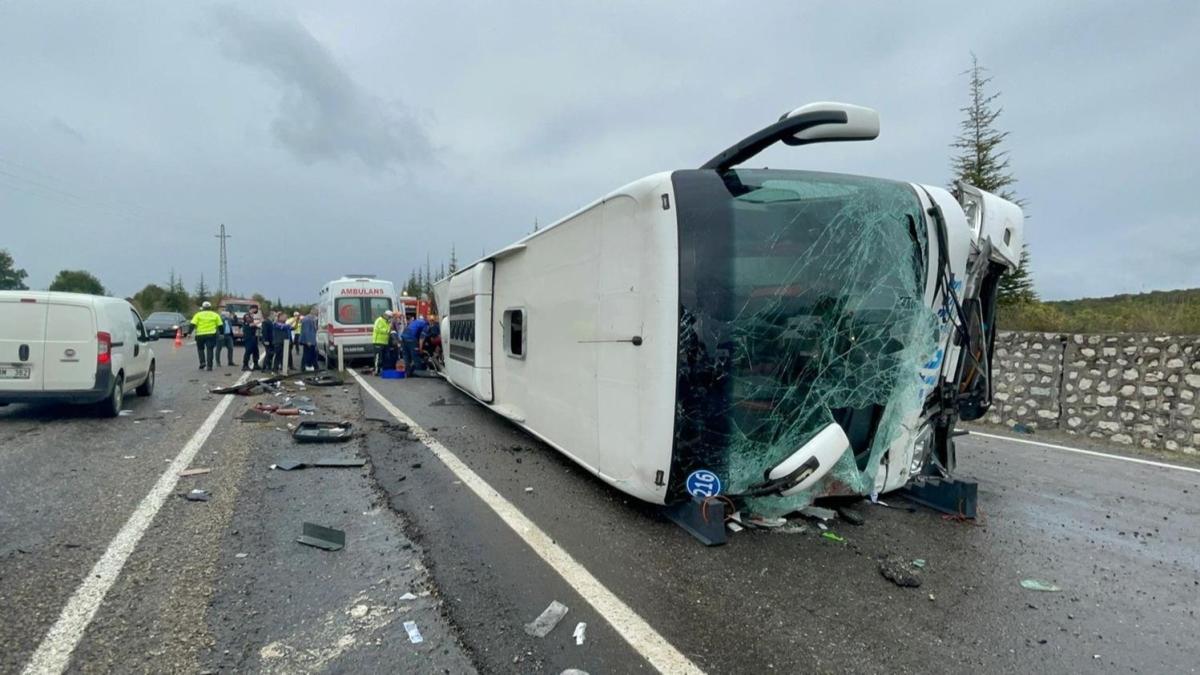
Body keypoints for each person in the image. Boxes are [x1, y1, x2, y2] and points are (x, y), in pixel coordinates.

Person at [189, 301, 222, 371]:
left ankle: (202, 362)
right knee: (210, 350)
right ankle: (209, 366)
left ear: (203, 307)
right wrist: (221, 333)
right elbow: (220, 325)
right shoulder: (215, 315)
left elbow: (192, 324)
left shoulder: (198, 315)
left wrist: (189, 333)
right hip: (211, 334)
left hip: (200, 335)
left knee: (200, 349)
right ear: (210, 308)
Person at [372, 309, 393, 375]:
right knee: (378, 357)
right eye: (389, 317)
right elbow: (377, 329)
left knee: (385, 357)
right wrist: (387, 331)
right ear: (385, 315)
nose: (390, 318)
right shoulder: (379, 320)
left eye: (390, 317)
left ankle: (384, 370)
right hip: (378, 341)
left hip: (385, 342)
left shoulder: (387, 321)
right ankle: (376, 370)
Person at [241, 306, 260, 371]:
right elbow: (251, 324)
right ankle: (245, 365)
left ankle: (256, 364)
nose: (256, 311)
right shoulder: (247, 316)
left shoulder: (253, 316)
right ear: (252, 309)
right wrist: (259, 322)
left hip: (253, 335)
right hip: (248, 335)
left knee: (255, 350)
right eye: (256, 309)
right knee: (248, 350)